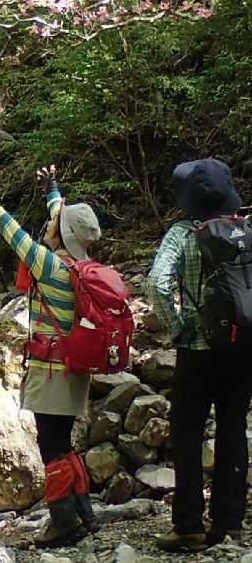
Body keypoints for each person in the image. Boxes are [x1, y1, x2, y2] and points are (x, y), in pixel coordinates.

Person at [0, 165, 101, 549]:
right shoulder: (78, 265)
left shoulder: (49, 265)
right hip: (75, 368)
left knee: (51, 447)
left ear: (62, 234)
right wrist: (52, 190)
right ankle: (85, 516)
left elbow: (13, 233)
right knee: (64, 442)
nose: (49, 225)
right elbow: (63, 221)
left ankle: (64, 524)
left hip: (51, 370)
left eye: (54, 223)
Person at [148, 159, 248, 552]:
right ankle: (229, 524)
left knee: (187, 432)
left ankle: (188, 525)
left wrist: (178, 327)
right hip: (242, 347)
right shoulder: (244, 229)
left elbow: (158, 284)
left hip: (198, 350)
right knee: (233, 429)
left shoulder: (182, 233)